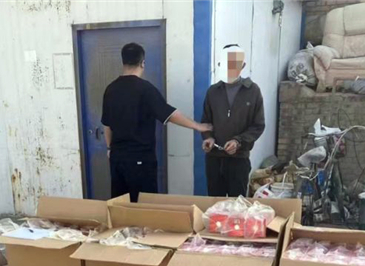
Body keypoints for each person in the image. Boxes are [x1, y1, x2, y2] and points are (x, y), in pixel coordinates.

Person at [102, 42, 212, 201]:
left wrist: (109, 147)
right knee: (144, 204)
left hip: (117, 159)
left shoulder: (110, 89)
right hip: (140, 160)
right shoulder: (145, 89)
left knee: (120, 204)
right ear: (142, 63)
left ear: (123, 62)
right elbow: (170, 114)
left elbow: (107, 125)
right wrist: (198, 126)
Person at [201, 45, 265, 197]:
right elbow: (206, 122)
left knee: (238, 203)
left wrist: (238, 141)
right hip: (214, 160)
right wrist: (208, 137)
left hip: (239, 160)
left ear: (242, 65)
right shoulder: (213, 92)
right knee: (215, 203)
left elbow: (258, 126)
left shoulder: (253, 91)